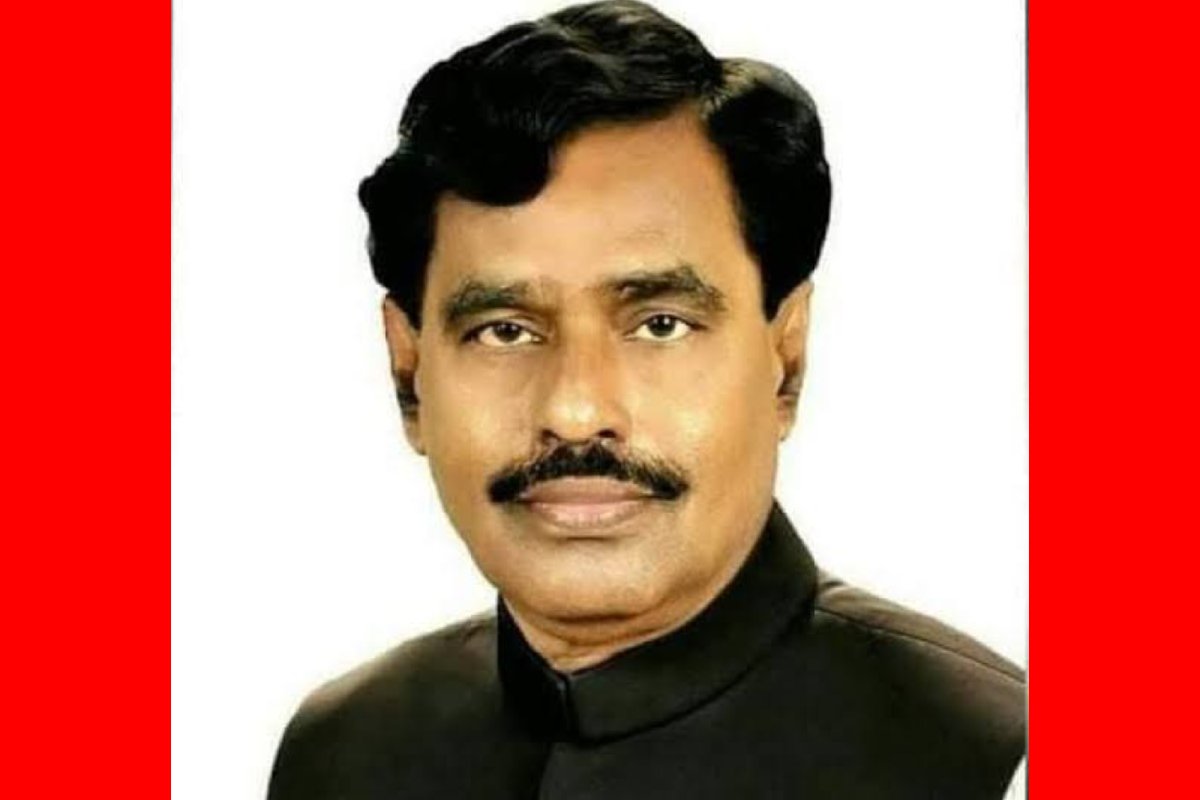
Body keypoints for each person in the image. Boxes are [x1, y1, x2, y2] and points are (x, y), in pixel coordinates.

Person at [267, 1, 1026, 797]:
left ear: (786, 359)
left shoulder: (986, 758)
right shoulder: (343, 751)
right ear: (408, 373)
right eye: (505, 330)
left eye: (660, 324)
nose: (574, 410)